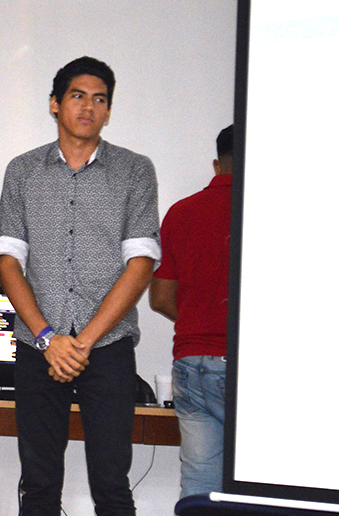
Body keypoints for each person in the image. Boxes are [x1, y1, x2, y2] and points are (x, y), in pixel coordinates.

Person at [0, 56, 160, 516]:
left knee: (111, 482)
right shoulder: (22, 171)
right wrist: (48, 338)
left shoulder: (134, 171)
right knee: (40, 484)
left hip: (107, 348)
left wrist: (81, 343)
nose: (89, 106)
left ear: (108, 111)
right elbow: (7, 262)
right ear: (55, 104)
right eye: (77, 96)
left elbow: (141, 264)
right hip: (36, 346)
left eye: (100, 99)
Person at [149, 125, 233, 499]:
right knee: (262, 483)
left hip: (192, 361)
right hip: (250, 367)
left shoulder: (181, 213)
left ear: (217, 165)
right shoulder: (276, 212)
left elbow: (160, 297)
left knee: (199, 483)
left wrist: (199, 321)